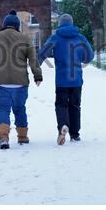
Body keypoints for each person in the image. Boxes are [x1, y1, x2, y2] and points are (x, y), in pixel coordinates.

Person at [0, 10, 43, 149]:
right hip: (20, 82)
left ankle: (3, 137)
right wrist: (37, 75)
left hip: (0, 82)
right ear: (17, 26)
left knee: (3, 109)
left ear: (5, 25)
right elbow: (33, 60)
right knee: (20, 109)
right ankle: (22, 136)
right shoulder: (25, 39)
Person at [38, 14, 94, 145]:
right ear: (72, 23)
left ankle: (63, 125)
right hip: (76, 79)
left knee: (61, 104)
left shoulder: (55, 37)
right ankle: (75, 134)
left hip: (62, 80)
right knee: (75, 105)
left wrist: (37, 65)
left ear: (60, 24)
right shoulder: (80, 38)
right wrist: (83, 59)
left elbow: (42, 53)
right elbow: (90, 55)